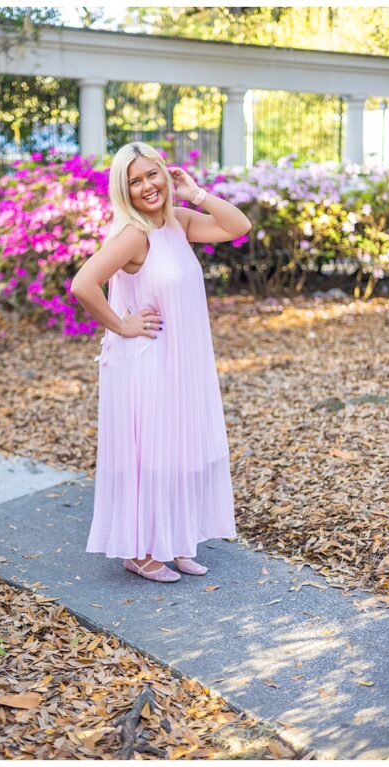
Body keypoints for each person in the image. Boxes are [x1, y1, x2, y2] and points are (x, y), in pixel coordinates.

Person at [72, 142, 250, 583]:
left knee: (183, 450)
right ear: (124, 190)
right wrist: (122, 324)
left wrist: (196, 193)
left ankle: (175, 541)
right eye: (135, 181)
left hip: (184, 359)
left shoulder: (179, 223)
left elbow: (238, 226)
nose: (147, 186)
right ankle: (143, 552)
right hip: (148, 362)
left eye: (153, 175)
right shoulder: (134, 235)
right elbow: (83, 284)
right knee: (154, 454)